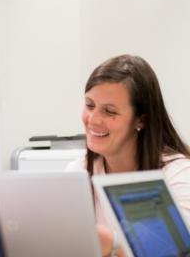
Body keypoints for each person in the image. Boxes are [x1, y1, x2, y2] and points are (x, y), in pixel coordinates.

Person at [66, 54, 190, 257]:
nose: (93, 120)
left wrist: (114, 245)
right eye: (90, 105)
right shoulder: (77, 172)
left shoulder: (179, 176)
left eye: (109, 111)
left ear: (140, 120)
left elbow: (175, 252)